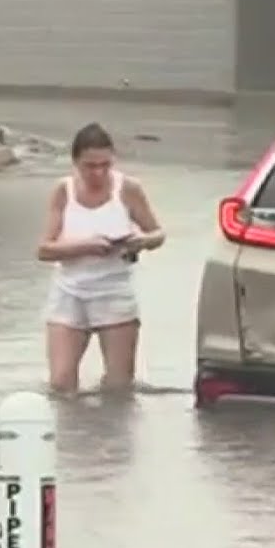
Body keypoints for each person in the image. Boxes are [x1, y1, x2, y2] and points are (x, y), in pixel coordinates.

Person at [36, 123, 165, 395]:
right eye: (90, 166)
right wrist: (86, 246)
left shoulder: (127, 188)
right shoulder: (64, 191)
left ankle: (108, 435)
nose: (98, 173)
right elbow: (44, 249)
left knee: (119, 388)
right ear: (75, 163)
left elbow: (158, 233)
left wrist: (140, 242)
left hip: (114, 292)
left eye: (105, 165)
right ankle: (71, 433)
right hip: (69, 292)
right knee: (60, 384)